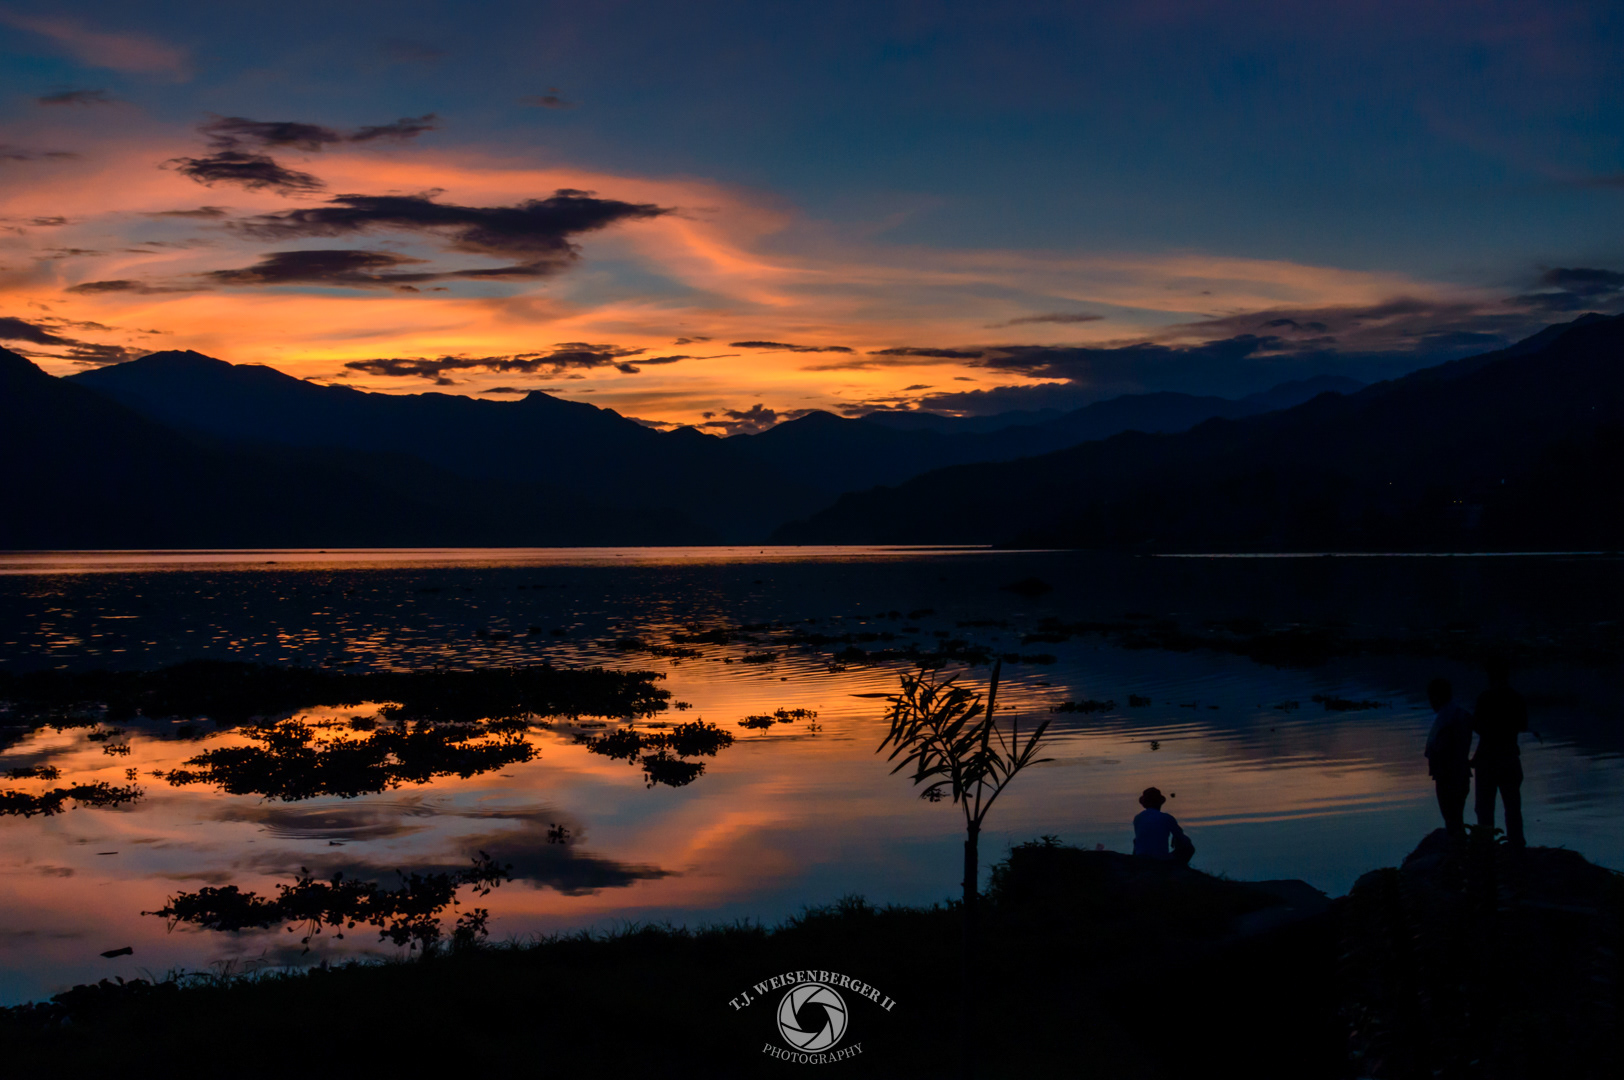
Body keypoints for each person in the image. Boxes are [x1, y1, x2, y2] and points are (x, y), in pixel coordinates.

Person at [1473, 656, 1528, 846]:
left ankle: (1486, 848)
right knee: (1512, 808)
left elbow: (1478, 727)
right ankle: (1516, 847)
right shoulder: (1516, 698)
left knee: (1484, 809)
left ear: (1490, 676)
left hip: (1488, 761)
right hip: (1509, 758)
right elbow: (1523, 725)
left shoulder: (1485, 698)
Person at [1423, 677, 1473, 840]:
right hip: (1456, 774)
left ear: (1437, 697)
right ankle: (1460, 847)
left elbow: (1444, 749)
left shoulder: (1449, 718)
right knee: (1455, 818)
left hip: (1449, 777)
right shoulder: (1457, 714)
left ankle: (1458, 849)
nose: (1430, 702)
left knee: (1452, 819)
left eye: (1431, 697)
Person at [1133, 787, 1193, 865]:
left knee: (1137, 841)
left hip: (1141, 858)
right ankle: (1180, 868)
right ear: (1160, 803)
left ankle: (1136, 863)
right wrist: (1177, 839)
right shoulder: (1167, 818)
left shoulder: (1138, 817)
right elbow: (1182, 839)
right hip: (1161, 860)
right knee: (1189, 848)